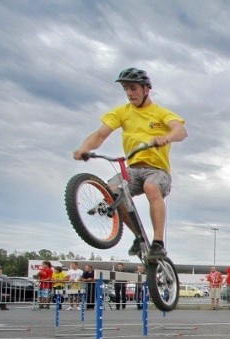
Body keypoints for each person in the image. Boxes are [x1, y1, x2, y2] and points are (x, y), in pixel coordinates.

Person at [72, 67, 187, 259]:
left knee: (151, 187)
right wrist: (84, 148)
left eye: (133, 88)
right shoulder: (122, 112)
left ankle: (158, 243)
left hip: (157, 171)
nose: (129, 93)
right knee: (112, 190)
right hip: (133, 169)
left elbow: (181, 131)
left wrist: (166, 137)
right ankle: (139, 238)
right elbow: (100, 134)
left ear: (146, 89)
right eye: (126, 89)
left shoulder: (160, 113)